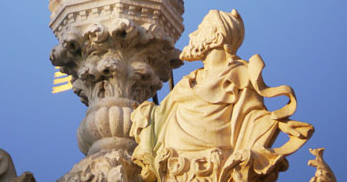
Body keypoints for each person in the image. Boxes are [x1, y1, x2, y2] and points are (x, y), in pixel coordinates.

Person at [130, 10, 314, 182]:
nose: (192, 35)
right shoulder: (188, 81)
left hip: (213, 169)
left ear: (216, 37)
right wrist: (147, 114)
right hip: (171, 167)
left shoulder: (239, 77)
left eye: (200, 30)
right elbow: (162, 114)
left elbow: (251, 116)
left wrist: (275, 122)